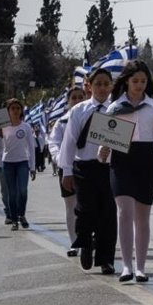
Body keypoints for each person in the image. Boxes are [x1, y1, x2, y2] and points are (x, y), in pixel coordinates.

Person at [101, 61, 153, 283]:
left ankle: (141, 267)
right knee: (124, 212)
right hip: (122, 161)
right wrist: (103, 153)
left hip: (146, 160)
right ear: (126, 81)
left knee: (142, 216)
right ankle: (126, 266)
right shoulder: (114, 107)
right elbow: (105, 143)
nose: (139, 85)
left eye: (143, 81)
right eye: (135, 81)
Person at [59, 69, 117, 273]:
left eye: (106, 84)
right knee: (86, 210)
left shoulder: (116, 110)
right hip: (84, 167)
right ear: (89, 86)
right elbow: (69, 142)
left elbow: (124, 141)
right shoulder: (79, 110)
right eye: (98, 84)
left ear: (111, 86)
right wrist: (66, 171)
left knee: (108, 214)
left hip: (109, 169)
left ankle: (106, 259)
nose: (102, 88)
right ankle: (85, 243)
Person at [47, 86, 86, 256]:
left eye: (80, 97)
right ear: (68, 101)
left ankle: (89, 239)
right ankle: (74, 243)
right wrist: (59, 158)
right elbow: (53, 143)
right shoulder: (61, 122)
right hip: (67, 168)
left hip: (87, 168)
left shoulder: (94, 117)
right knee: (71, 207)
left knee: (89, 206)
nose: (77, 101)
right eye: (74, 98)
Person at [0, 99, 36, 231]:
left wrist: (32, 167)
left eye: (18, 108)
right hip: (7, 163)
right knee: (11, 193)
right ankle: (14, 219)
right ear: (7, 111)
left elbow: (31, 148)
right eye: (12, 108)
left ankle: (22, 215)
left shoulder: (26, 127)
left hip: (22, 162)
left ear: (21, 110)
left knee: (23, 191)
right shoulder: (1, 126)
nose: (15, 111)